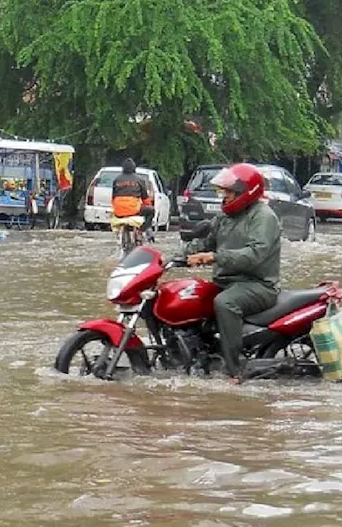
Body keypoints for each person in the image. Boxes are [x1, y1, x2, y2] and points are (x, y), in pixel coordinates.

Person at [179, 163, 282, 384]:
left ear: (247, 192)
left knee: (225, 303)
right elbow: (205, 243)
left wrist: (215, 257)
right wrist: (168, 258)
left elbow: (255, 254)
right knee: (189, 295)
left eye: (229, 192)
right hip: (228, 281)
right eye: (223, 192)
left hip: (258, 285)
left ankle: (235, 370)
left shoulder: (264, 217)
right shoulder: (225, 217)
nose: (224, 197)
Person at [110, 158, 155, 242]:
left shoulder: (116, 180)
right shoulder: (139, 180)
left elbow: (113, 198)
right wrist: (148, 205)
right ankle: (141, 230)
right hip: (134, 210)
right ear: (134, 168)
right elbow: (145, 199)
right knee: (151, 211)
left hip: (118, 212)